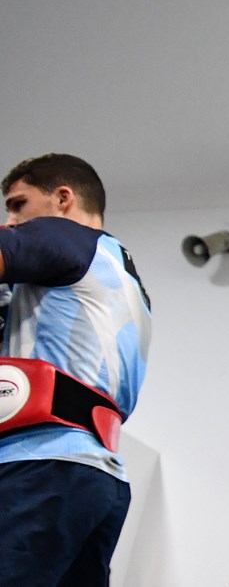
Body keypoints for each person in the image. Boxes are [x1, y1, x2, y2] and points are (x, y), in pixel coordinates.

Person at [0, 153, 152, 585]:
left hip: (40, 465)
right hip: (99, 478)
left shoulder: (64, 237)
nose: (12, 222)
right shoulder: (122, 277)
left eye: (18, 204)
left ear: (63, 198)